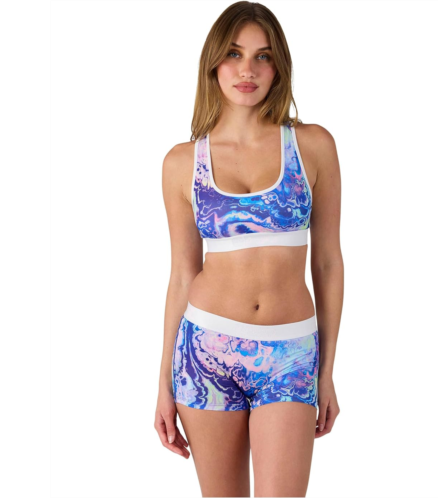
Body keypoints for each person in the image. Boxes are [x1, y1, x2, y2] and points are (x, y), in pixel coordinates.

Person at [155, 2, 343, 496]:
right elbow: (182, 274)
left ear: (278, 67)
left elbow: (327, 262)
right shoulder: (182, 163)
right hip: (204, 351)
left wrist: (326, 372)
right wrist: (163, 383)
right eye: (235, 54)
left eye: (263, 56)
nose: (248, 70)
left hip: (290, 354)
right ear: (213, 63)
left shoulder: (312, 146)